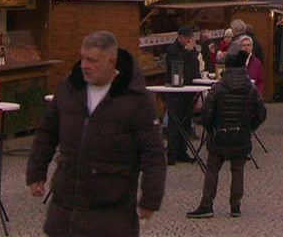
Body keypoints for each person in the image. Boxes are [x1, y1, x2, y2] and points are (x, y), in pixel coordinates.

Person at [27, 31, 165, 237]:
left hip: (112, 212)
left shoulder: (137, 99)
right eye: (82, 58)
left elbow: (153, 154)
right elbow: (47, 132)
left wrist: (150, 199)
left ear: (111, 62)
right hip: (65, 209)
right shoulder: (68, 88)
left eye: (92, 60)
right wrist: (36, 172)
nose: (84, 65)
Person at [186, 51, 267, 219]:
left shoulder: (218, 87)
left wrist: (211, 129)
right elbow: (262, 112)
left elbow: (206, 113)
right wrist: (250, 127)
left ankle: (207, 204)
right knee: (238, 170)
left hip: (219, 136)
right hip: (241, 136)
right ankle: (235, 206)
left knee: (212, 169)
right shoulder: (250, 88)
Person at [163, 26, 202, 165]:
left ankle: (182, 151)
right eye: (187, 38)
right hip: (175, 91)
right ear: (180, 37)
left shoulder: (191, 50)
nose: (189, 41)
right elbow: (175, 64)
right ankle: (172, 153)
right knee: (175, 122)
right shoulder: (171, 49)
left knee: (185, 122)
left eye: (190, 38)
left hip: (188, 89)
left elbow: (194, 66)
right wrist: (187, 51)